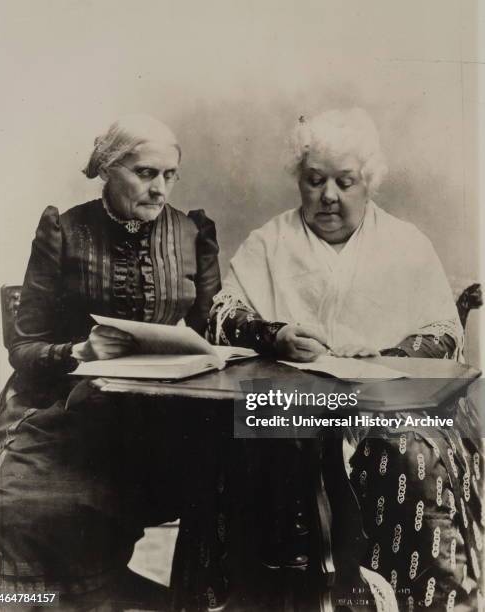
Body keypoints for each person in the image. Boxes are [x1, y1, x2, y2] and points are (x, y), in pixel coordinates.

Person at [173, 109, 482, 611]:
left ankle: (407, 598)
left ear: (369, 183)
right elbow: (222, 316)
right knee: (233, 441)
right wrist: (276, 334)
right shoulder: (270, 242)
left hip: (392, 406)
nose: (329, 197)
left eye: (345, 182)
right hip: (288, 402)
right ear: (300, 181)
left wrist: (389, 353)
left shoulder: (406, 244)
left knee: (412, 457)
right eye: (315, 181)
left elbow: (444, 333)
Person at [0, 115, 221, 606]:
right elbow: (24, 345)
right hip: (62, 406)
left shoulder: (191, 232)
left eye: (169, 175)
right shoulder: (65, 229)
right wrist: (76, 352)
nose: (160, 189)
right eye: (145, 173)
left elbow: (212, 328)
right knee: (30, 504)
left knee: (240, 479)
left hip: (159, 409)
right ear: (108, 170)